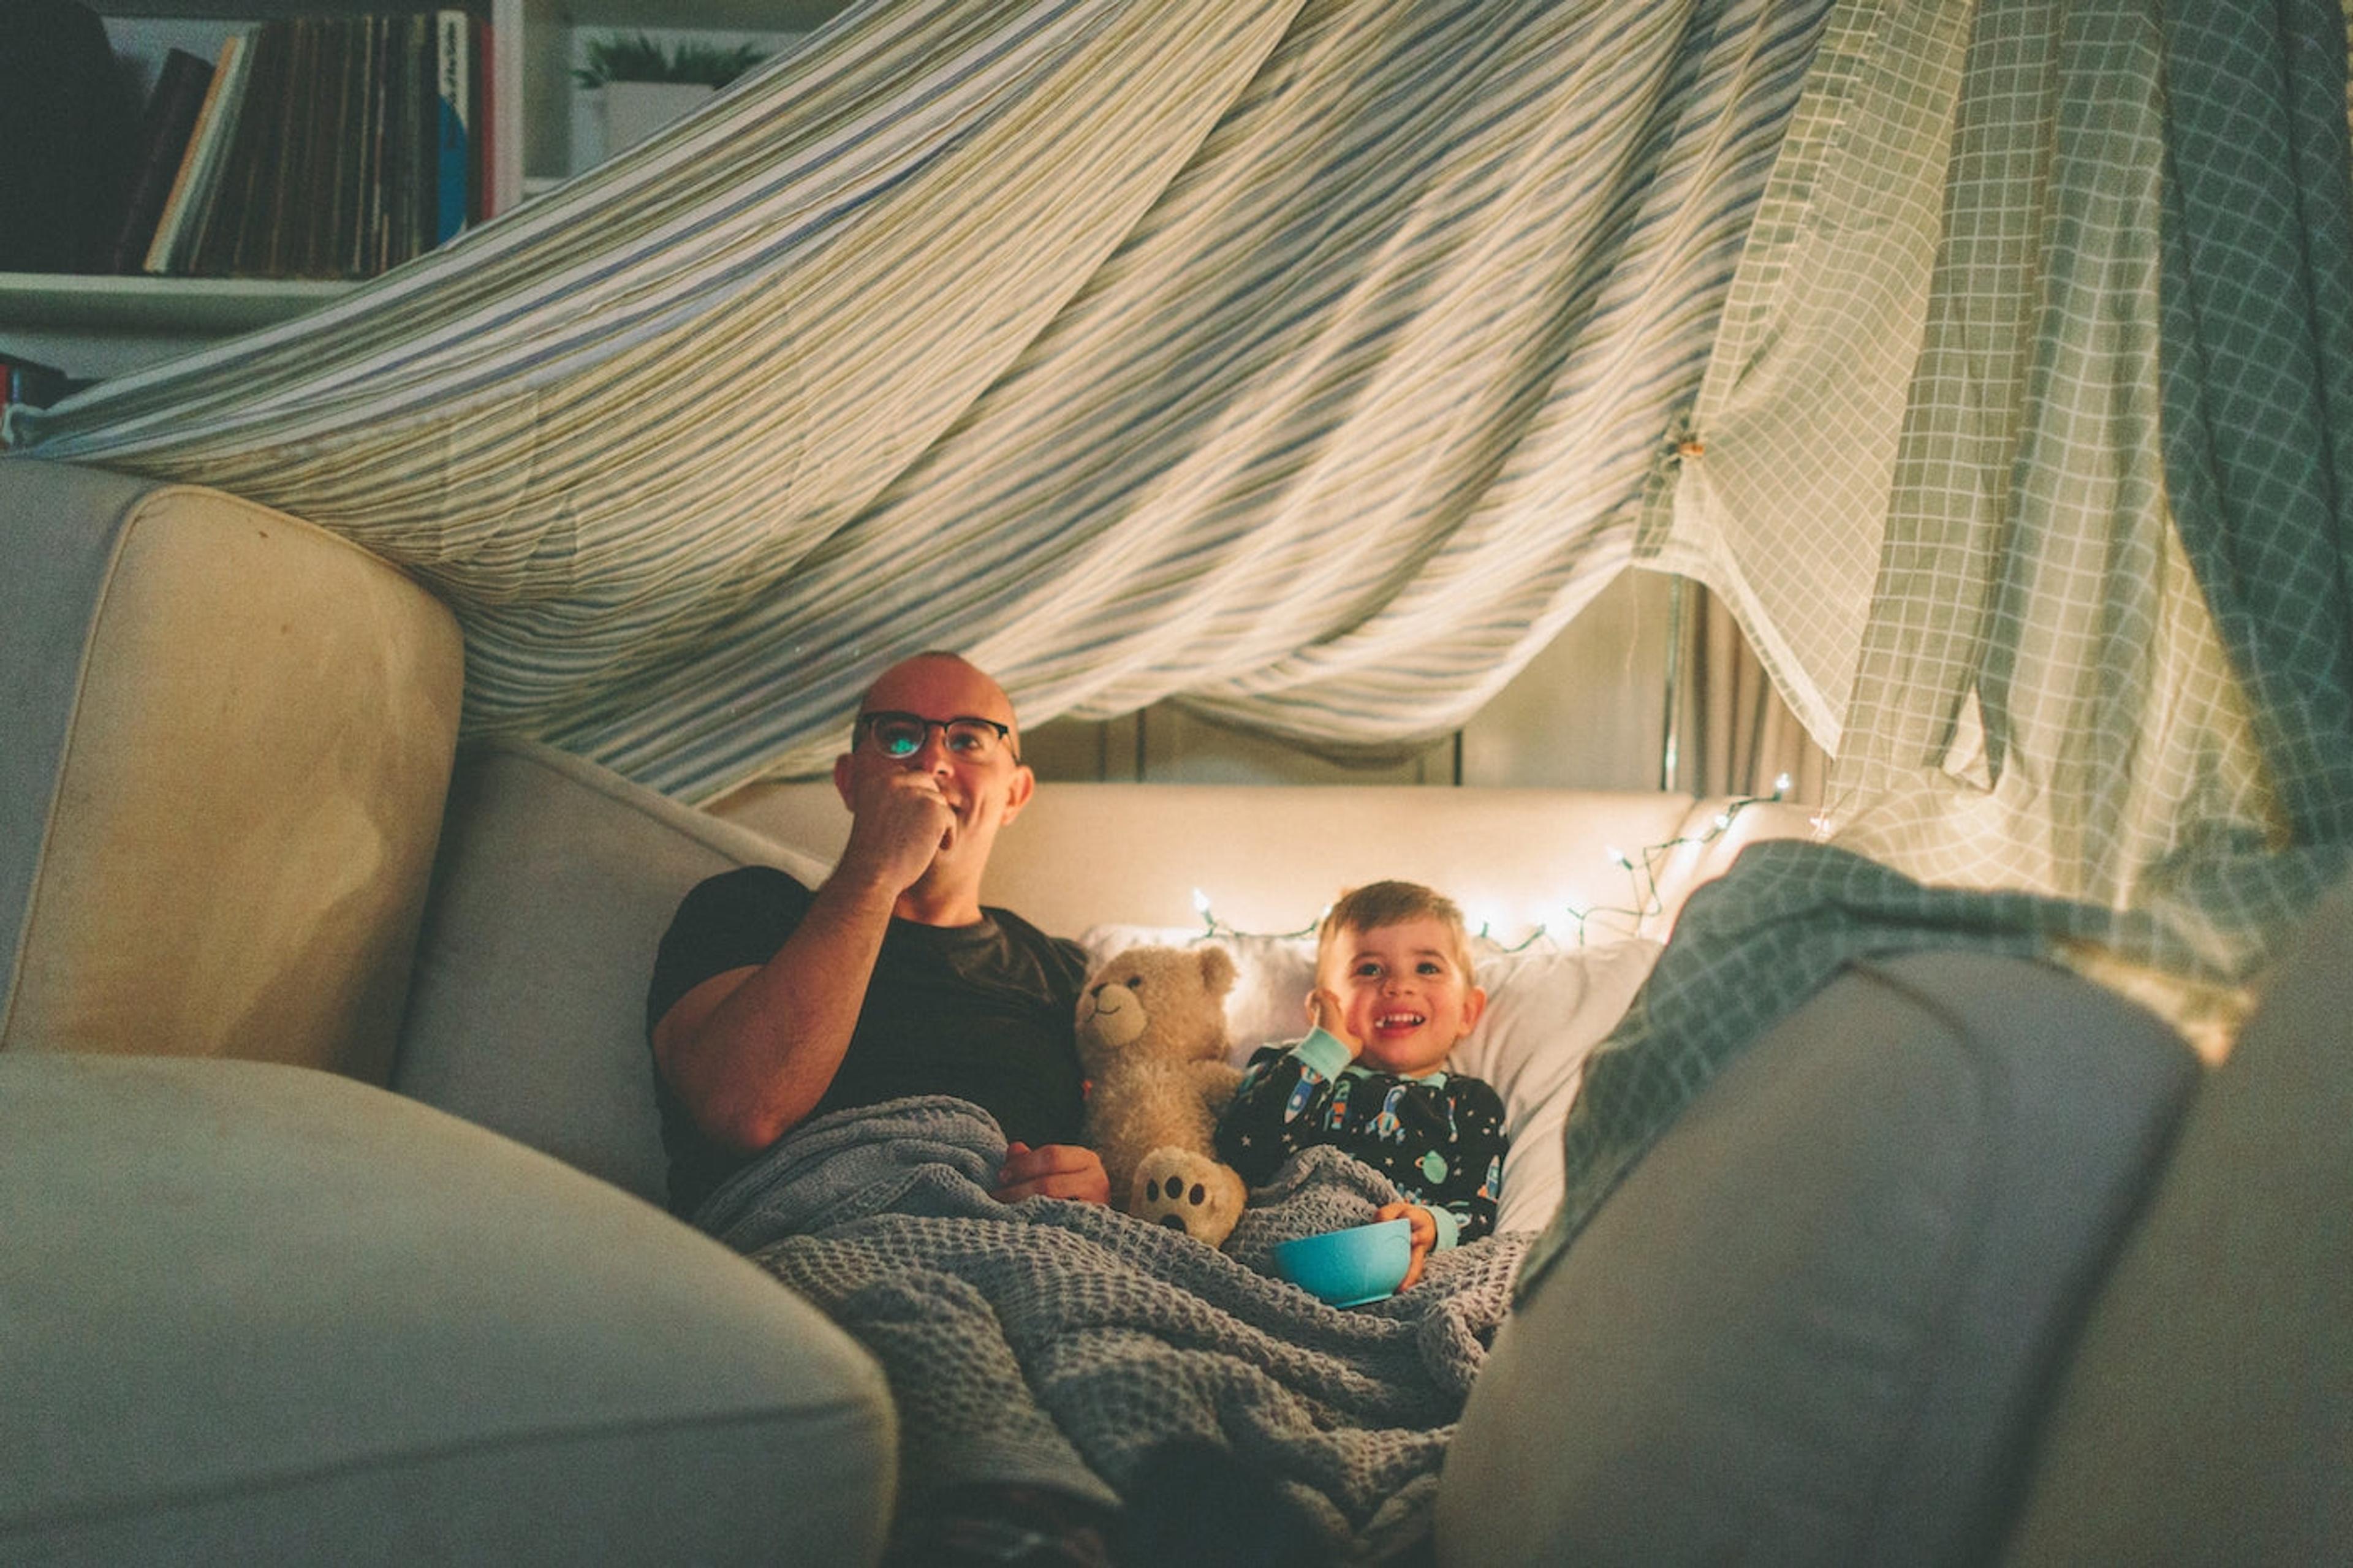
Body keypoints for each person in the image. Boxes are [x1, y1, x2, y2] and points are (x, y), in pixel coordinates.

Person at [645, 650, 1112, 1223]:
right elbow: (743, 1108)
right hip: (814, 1250)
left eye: (968, 741)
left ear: (1014, 794)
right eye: (898, 737)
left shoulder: (1065, 973)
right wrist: (876, 871)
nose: (932, 759)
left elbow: (1125, 1144)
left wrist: (1096, 1185)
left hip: (1041, 1254)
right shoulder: (748, 909)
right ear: (849, 781)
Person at [1214, 880, 1508, 1292]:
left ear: (1467, 1011)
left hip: (1395, 1276)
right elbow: (1238, 1152)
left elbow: (1478, 1208)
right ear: (1321, 1005)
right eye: (1368, 969)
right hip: (1271, 1267)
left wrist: (1433, 1226)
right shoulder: (1289, 1066)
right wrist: (1324, 1048)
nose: (1398, 986)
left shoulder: (1470, 1102)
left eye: (1427, 967)